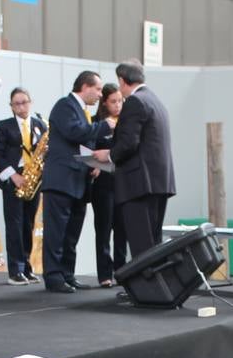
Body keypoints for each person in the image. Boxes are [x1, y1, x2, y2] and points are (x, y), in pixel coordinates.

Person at [39, 71, 108, 293]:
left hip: (78, 181)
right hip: (61, 180)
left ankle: (67, 274)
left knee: (71, 233)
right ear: (85, 87)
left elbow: (83, 142)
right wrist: (106, 125)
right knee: (56, 232)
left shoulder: (82, 111)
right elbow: (75, 133)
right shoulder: (65, 105)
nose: (100, 95)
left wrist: (94, 163)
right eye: (97, 89)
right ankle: (53, 276)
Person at [105, 61, 175, 256]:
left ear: (122, 80)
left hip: (138, 185)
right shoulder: (155, 100)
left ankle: (147, 287)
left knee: (142, 247)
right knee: (154, 245)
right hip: (159, 183)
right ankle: (156, 286)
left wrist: (108, 155)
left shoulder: (135, 102)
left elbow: (128, 143)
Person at [0, 87, 47, 285]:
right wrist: (13, 175)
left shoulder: (41, 125)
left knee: (28, 225)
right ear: (11, 106)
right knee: (14, 225)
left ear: (30, 102)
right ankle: (15, 270)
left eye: (24, 102)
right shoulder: (4, 126)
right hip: (14, 178)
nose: (21, 106)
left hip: (34, 179)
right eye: (16, 104)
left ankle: (27, 267)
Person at [88, 83, 127, 287]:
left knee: (122, 229)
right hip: (102, 183)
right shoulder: (96, 123)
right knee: (103, 229)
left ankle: (121, 271)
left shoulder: (127, 123)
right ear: (104, 103)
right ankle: (104, 274)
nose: (118, 105)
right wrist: (94, 165)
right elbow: (89, 149)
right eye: (113, 101)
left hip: (122, 182)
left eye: (120, 101)